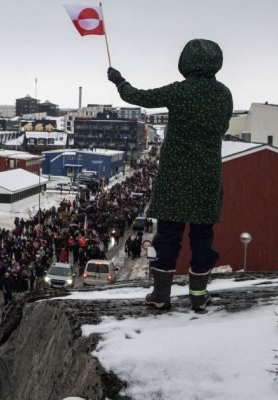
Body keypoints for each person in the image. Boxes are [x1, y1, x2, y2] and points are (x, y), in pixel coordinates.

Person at [107, 38, 233, 311]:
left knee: (168, 236)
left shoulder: (179, 92)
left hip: (176, 174)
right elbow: (222, 128)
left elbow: (137, 97)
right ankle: (199, 295)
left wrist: (119, 81)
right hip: (207, 175)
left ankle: (161, 295)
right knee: (202, 237)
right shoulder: (224, 94)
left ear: (186, 62)